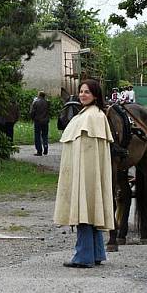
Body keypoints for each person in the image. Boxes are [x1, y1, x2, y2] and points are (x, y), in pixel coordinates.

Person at [53, 79, 114, 268]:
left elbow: (87, 152)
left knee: (85, 209)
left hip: (86, 175)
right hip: (86, 174)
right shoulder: (90, 114)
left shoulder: (92, 117)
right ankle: (96, 253)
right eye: (81, 91)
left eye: (87, 92)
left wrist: (80, 176)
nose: (82, 95)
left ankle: (83, 256)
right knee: (91, 208)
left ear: (95, 95)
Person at [29, 91, 49, 156]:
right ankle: (45, 147)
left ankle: (39, 151)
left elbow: (32, 112)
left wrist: (32, 118)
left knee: (37, 136)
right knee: (45, 135)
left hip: (37, 121)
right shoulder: (47, 102)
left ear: (39, 95)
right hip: (45, 121)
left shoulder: (35, 102)